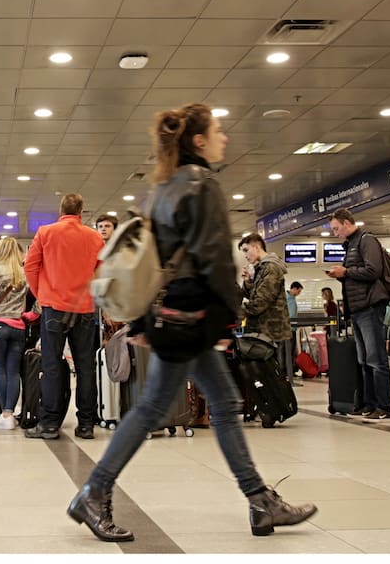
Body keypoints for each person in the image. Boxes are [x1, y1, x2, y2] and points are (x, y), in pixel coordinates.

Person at [67, 102, 316, 542]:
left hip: (175, 314)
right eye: (218, 131)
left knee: (221, 404)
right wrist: (225, 319)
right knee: (152, 410)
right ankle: (95, 490)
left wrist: (147, 318)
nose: (224, 137)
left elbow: (155, 258)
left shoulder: (164, 187)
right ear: (198, 140)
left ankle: (260, 501)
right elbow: (214, 260)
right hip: (193, 317)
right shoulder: (201, 185)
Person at [24, 193, 104, 440]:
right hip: (84, 309)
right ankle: (86, 424)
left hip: (53, 307)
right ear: (81, 212)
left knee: (51, 367)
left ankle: (49, 424)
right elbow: (101, 271)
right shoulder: (94, 237)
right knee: (85, 368)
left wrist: (42, 295)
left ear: (61, 211)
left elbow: (30, 266)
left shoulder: (46, 232)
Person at [326, 209, 390, 423]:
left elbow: (373, 270)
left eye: (336, 228)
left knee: (376, 359)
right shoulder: (351, 245)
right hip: (356, 308)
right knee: (364, 360)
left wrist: (345, 272)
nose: (335, 233)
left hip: (370, 306)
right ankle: (369, 403)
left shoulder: (366, 240)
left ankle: (385, 406)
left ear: (347, 223)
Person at [0, 237, 31, 430]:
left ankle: (5, 414)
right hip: (18, 327)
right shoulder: (24, 272)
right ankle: (10, 411)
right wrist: (29, 315)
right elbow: (39, 299)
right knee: (14, 372)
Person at [238, 234, 292, 384]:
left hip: (270, 331)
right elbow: (256, 295)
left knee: (270, 376)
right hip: (263, 330)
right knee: (263, 375)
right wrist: (248, 282)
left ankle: (277, 405)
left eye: (246, 250)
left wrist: (235, 310)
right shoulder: (262, 268)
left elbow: (261, 302)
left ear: (257, 246)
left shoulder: (272, 268)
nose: (246, 255)